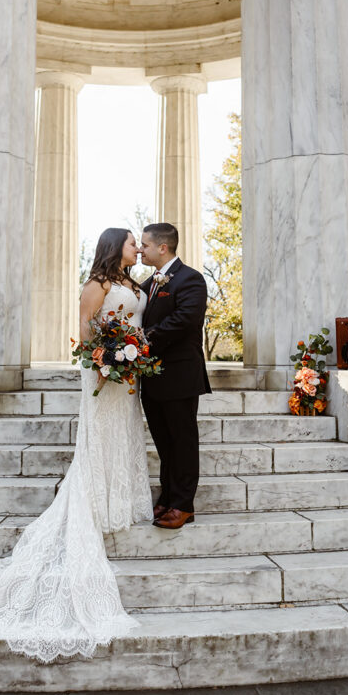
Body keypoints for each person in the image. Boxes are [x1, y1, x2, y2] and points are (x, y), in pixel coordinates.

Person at [0, 228, 153, 663]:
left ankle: (121, 499)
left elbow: (138, 321)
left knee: (125, 434)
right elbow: (86, 335)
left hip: (131, 376)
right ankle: (96, 503)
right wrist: (109, 360)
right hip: (105, 375)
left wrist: (135, 354)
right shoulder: (96, 285)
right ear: (115, 248)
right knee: (102, 436)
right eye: (132, 242)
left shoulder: (134, 284)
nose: (138, 248)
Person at [140, 223, 211, 529]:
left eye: (144, 245)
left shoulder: (190, 279)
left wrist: (144, 340)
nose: (141, 249)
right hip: (152, 378)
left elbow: (184, 319)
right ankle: (167, 498)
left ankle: (183, 505)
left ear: (162, 248)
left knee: (182, 442)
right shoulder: (147, 284)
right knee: (164, 443)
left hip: (180, 374)